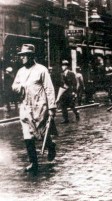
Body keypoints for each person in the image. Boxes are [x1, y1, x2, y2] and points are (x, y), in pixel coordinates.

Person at [12, 44, 57, 174]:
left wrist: (52, 107)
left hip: (40, 106)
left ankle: (51, 146)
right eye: (21, 56)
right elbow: (14, 85)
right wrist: (18, 88)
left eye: (25, 56)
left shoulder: (41, 70)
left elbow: (49, 89)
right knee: (27, 135)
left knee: (42, 132)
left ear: (31, 56)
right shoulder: (20, 71)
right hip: (25, 106)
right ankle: (33, 162)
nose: (22, 58)